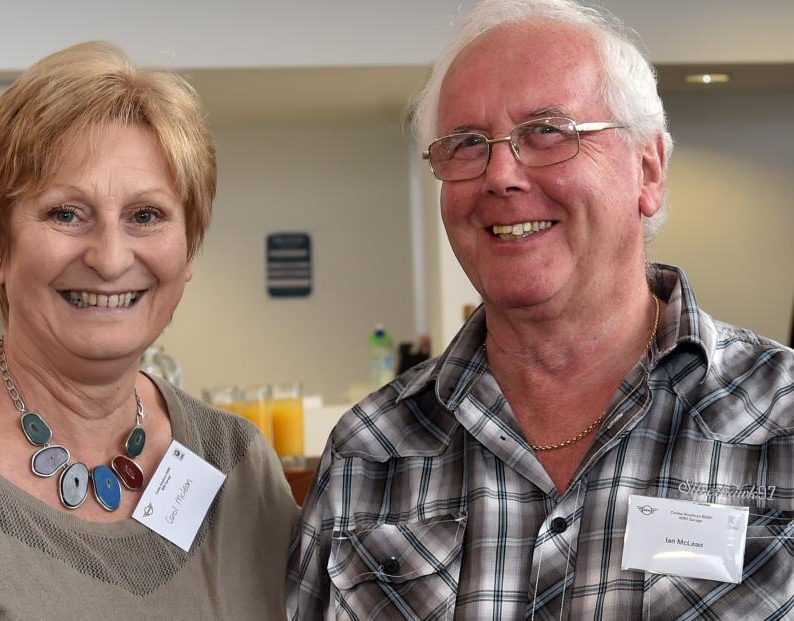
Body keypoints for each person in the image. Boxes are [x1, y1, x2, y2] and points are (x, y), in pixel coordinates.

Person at [287, 0, 793, 618]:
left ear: (649, 169)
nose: (501, 173)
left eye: (548, 131)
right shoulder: (371, 453)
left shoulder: (780, 421)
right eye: (467, 143)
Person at [0, 42, 298, 618]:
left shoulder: (238, 466)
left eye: (146, 215)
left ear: (189, 249)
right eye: (65, 213)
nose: (110, 259)